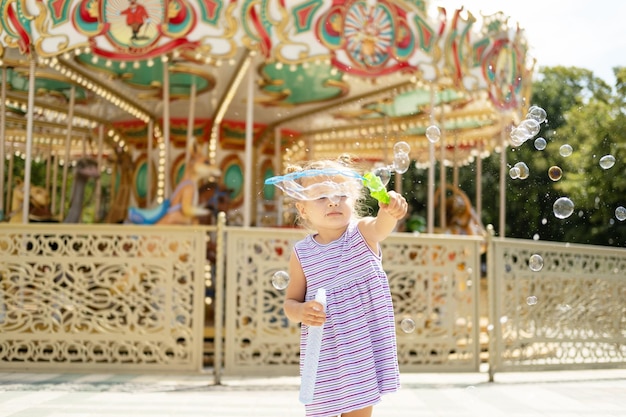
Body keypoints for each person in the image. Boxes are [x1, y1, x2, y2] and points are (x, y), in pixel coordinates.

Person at [278, 156, 408, 417]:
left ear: (353, 199)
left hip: (361, 349)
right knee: (323, 409)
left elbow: (381, 226)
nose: (333, 201)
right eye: (321, 196)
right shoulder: (302, 253)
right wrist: (301, 311)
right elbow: (290, 304)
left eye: (341, 194)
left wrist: (389, 209)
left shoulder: (361, 233)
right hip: (324, 351)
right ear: (302, 209)